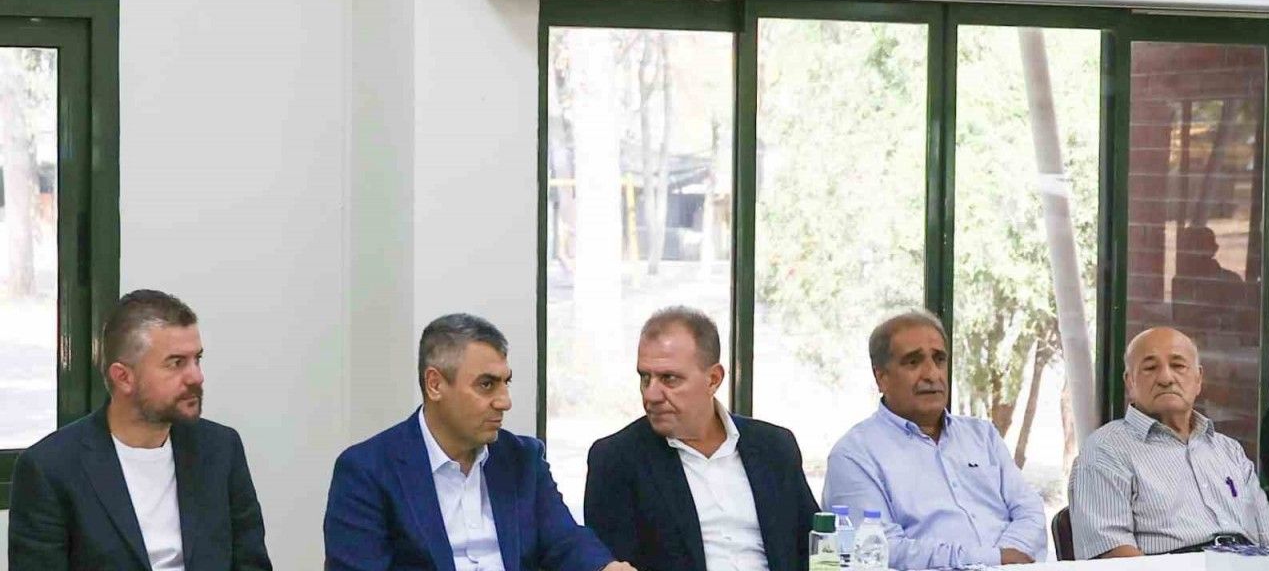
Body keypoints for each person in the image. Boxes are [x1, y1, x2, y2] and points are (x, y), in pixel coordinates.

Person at [324, 312, 634, 571]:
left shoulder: (522, 458)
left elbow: (565, 541)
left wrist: (604, 568)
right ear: (435, 385)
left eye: (506, 382)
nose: (504, 401)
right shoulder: (368, 470)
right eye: (486, 385)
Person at [8, 289, 272, 571]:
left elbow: (251, 563)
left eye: (197, 359)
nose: (196, 377)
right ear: (123, 377)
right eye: (176, 363)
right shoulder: (50, 468)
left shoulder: (220, 448)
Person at [584, 307, 818, 571]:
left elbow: (814, 547)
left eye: (669, 379)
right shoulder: (618, 459)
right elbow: (612, 562)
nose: (651, 395)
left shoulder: (774, 447)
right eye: (645, 377)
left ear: (713, 379)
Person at [823, 309, 1046, 569]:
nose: (932, 374)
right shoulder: (854, 455)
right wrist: (991, 560)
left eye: (939, 359)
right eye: (913, 362)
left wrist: (1007, 559)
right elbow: (879, 549)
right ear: (881, 377)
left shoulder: (982, 435)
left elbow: (1029, 511)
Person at [1069, 326, 1269, 558]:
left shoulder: (1229, 450)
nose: (1166, 378)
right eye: (1150, 368)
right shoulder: (1106, 449)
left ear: (1198, 379)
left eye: (1178, 366)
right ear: (1130, 382)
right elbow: (1112, 554)